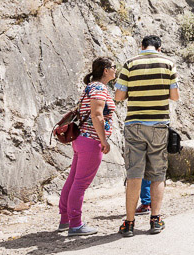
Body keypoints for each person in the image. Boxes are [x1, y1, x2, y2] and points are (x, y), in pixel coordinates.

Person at [115, 35, 179, 237]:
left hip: (134, 125)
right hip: (159, 125)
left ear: (141, 47)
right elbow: (175, 96)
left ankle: (129, 223)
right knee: (158, 174)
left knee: (134, 174)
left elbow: (118, 96)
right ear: (159, 48)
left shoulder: (130, 64)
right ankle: (156, 219)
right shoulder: (168, 64)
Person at [58, 57, 116, 236]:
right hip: (91, 140)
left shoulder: (90, 87)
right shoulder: (99, 88)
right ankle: (75, 224)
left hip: (81, 139)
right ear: (106, 70)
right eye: (113, 67)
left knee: (73, 180)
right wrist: (103, 140)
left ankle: (65, 219)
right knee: (80, 183)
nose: (116, 69)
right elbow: (97, 115)